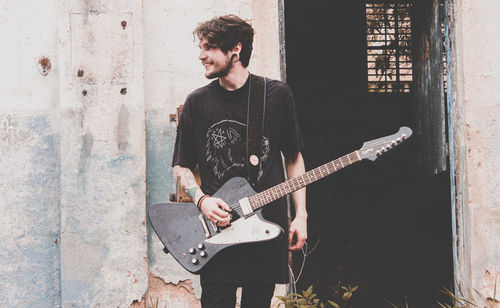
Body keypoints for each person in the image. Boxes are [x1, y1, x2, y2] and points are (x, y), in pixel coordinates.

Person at [172, 15, 307, 308]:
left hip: (265, 227)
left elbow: (294, 157)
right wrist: (202, 200)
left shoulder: (276, 95)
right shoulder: (197, 102)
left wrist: (301, 215)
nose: (201, 55)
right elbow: (181, 168)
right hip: (218, 231)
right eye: (201, 47)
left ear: (235, 49)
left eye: (209, 48)